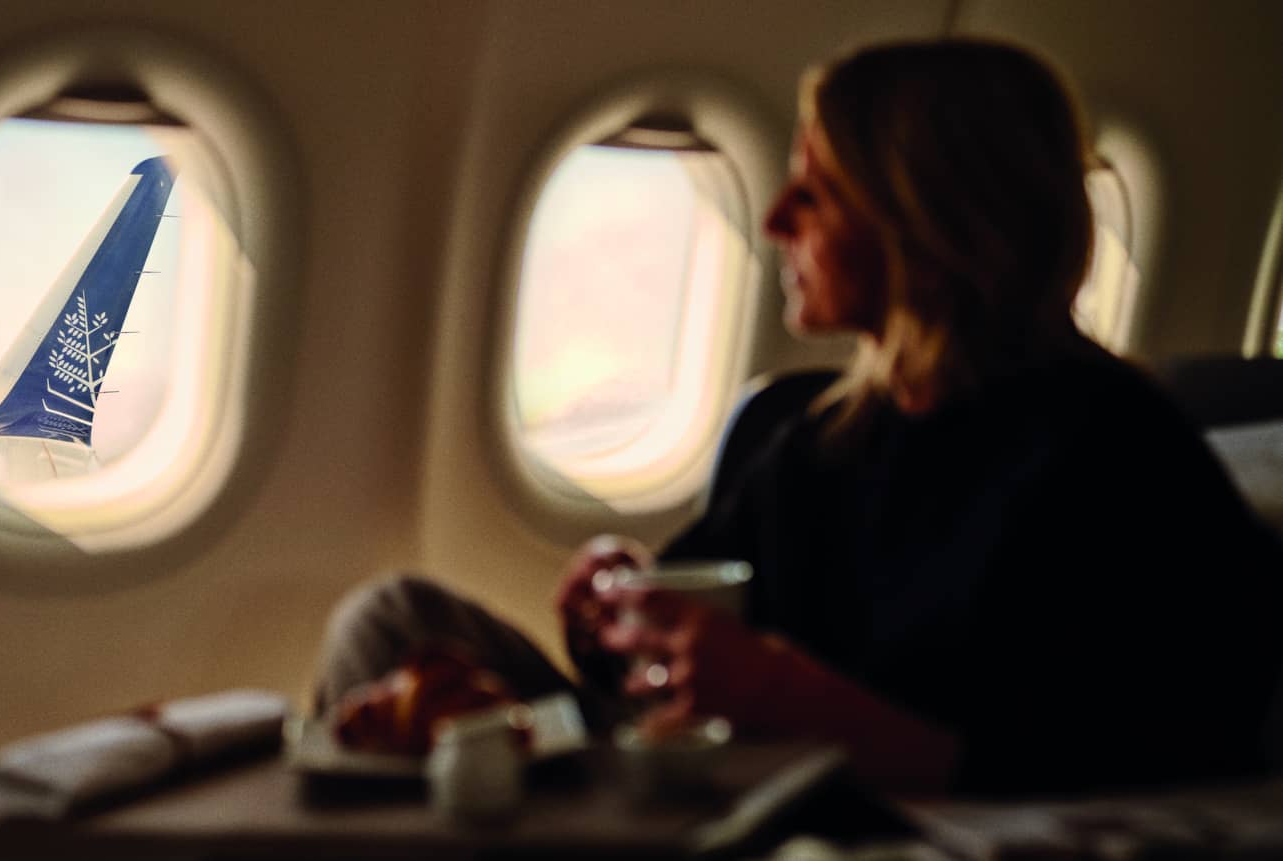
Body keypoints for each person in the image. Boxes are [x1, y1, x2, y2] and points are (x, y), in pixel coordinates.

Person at [315, 37, 1283, 798]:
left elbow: (1174, 763)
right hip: (703, 774)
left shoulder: (1116, 456)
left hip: (861, 815)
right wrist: (614, 615)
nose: (774, 218)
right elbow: (687, 651)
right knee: (394, 619)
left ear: (928, 223)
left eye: (816, 191)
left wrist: (802, 705)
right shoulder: (816, 436)